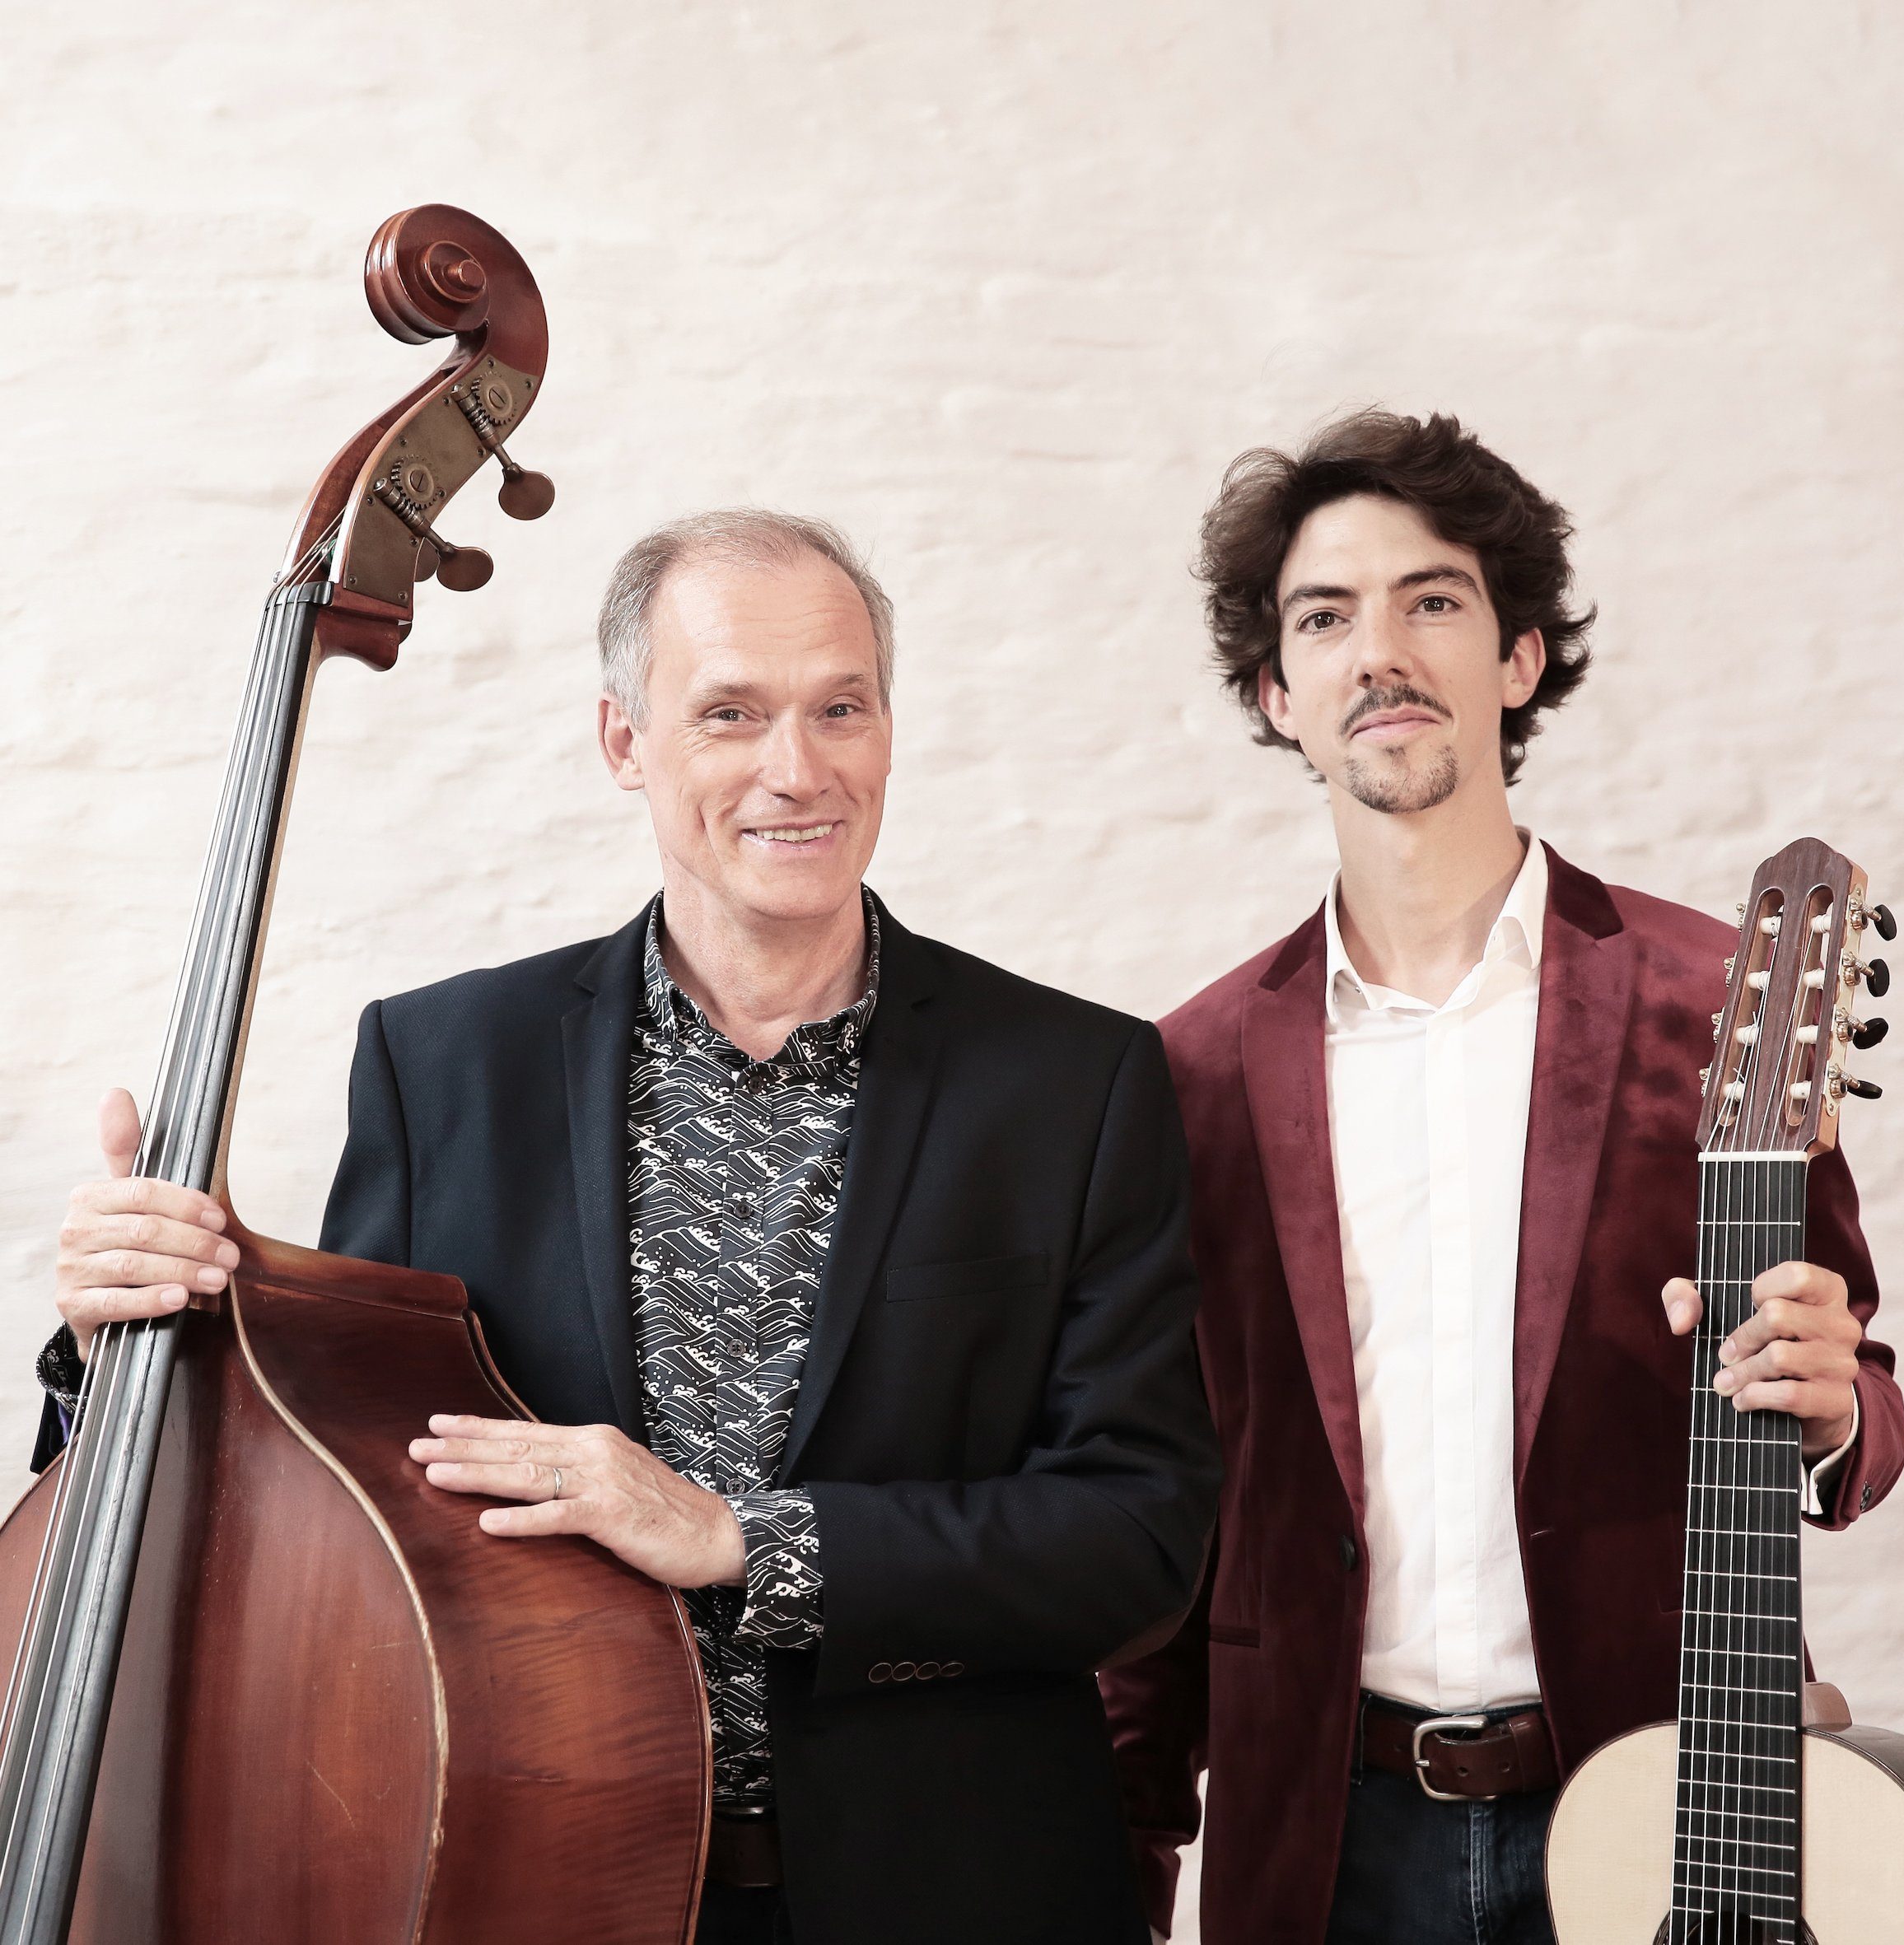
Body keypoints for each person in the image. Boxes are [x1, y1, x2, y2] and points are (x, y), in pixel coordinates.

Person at [44, 510, 1220, 1945]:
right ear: (625, 741)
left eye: (839, 707)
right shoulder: (441, 1065)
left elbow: (1140, 1538)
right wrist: (127, 1340)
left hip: (959, 1892)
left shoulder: (1076, 1080)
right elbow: (336, 1495)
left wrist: (742, 1538)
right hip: (531, 1886)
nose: (798, 768)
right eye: (729, 713)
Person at [1099, 412, 1904, 1945]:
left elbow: (1853, 1377)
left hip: (1658, 1807)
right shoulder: (1188, 1073)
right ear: (1277, 694)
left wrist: (1833, 1412)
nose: (1378, 652)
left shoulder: (1717, 1003)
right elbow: (1161, 1505)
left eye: (1432, 600)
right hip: (1324, 1841)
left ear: (1518, 656)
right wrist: (1125, 1861)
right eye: (1322, 618)